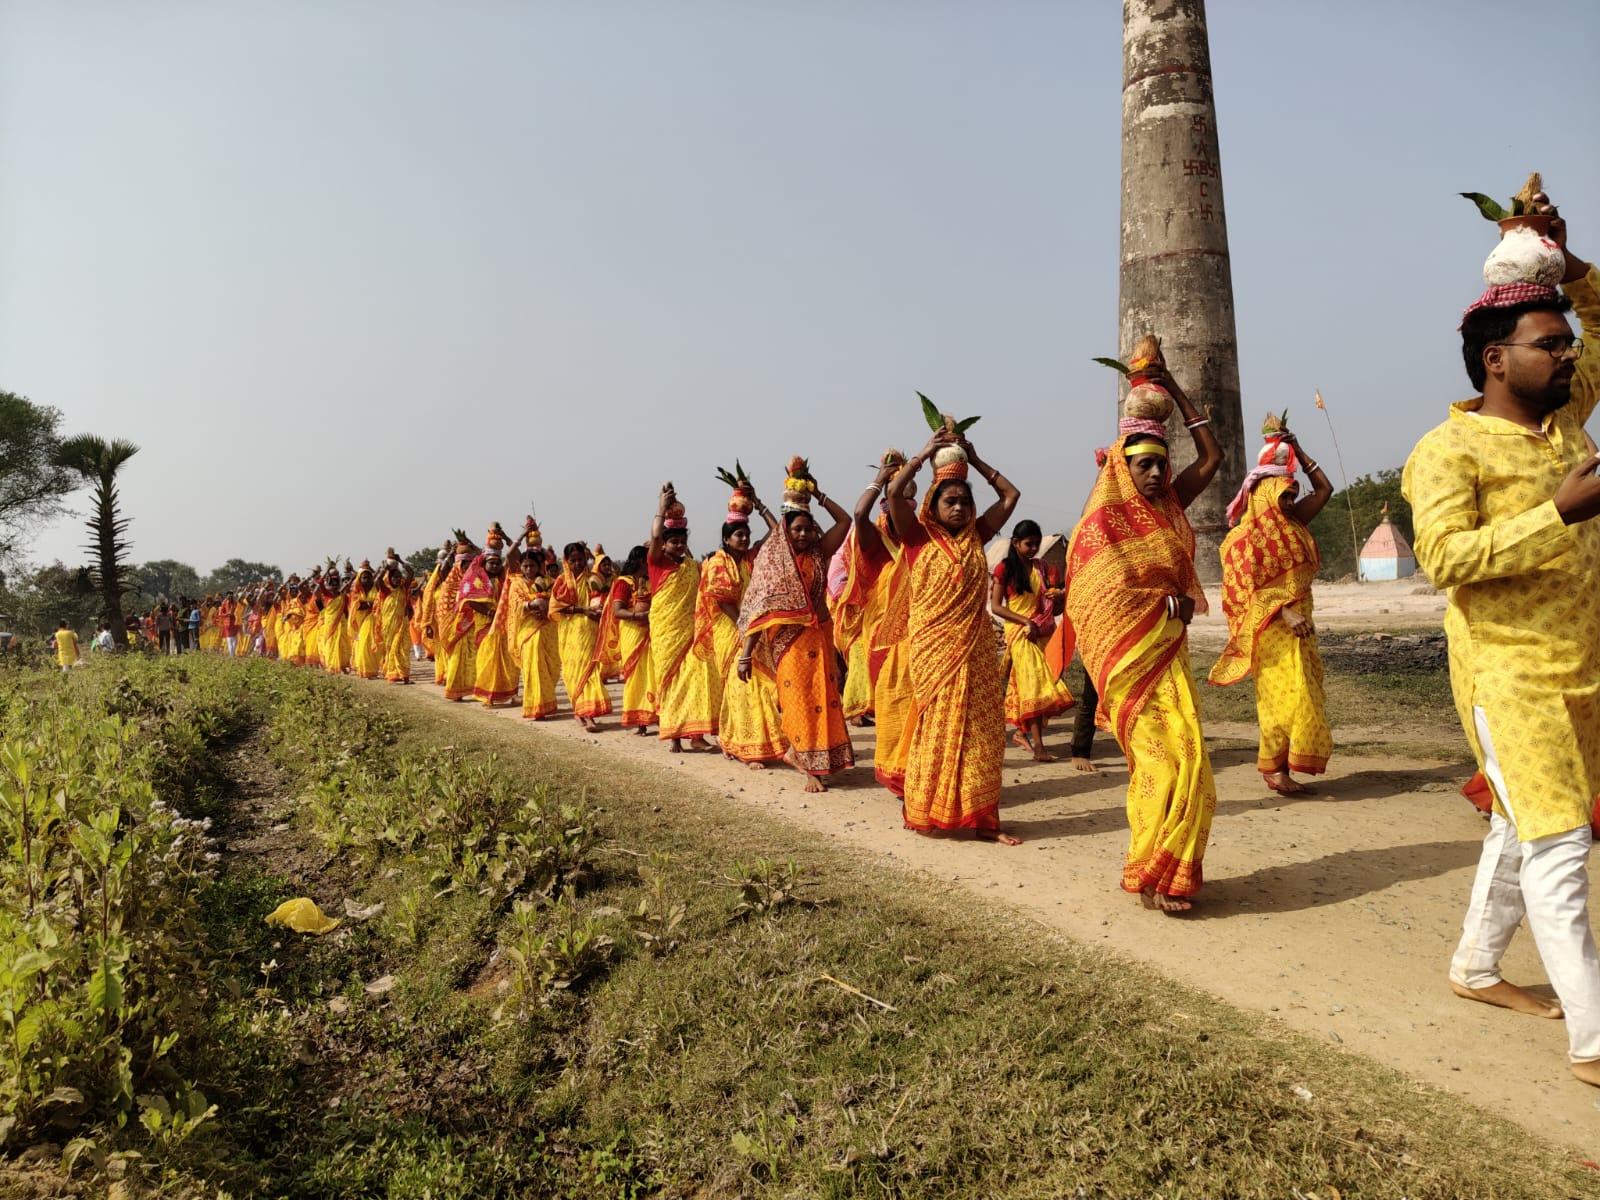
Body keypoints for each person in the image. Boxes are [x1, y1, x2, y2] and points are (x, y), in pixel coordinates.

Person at [1401, 192, 1600, 1085]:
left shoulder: (1567, 420)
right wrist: (1558, 516)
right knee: (1560, 841)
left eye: (1568, 345)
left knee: (1523, 832)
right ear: (1496, 358)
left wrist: (1559, 253)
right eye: (1549, 344)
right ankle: (1595, 1038)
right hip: (1508, 675)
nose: (1568, 355)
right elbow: (1445, 559)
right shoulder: (1448, 451)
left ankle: (1476, 970)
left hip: (1584, 668)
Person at [1065, 349, 1222, 910]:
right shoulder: (1101, 524)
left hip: (1170, 665)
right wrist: (1168, 607)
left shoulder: (1173, 504)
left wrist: (1176, 390)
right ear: (1120, 468)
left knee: (1195, 766)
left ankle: (1168, 869)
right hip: (1130, 667)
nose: (1156, 473)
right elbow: (1093, 598)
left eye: (1160, 463)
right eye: (1143, 465)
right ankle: (1148, 867)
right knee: (1159, 763)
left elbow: (1213, 455)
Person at [883, 425, 1021, 842]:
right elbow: (893, 496)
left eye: (965, 501)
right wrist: (924, 455)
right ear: (934, 503)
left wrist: (975, 461)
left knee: (981, 733)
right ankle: (929, 809)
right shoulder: (918, 538)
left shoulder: (978, 537)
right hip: (933, 653)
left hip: (976, 650)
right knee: (938, 730)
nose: (959, 508)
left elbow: (1011, 497)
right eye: (950, 500)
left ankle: (980, 819)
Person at [1209, 421, 1335, 793]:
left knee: (1308, 692)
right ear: (1264, 492)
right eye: (1284, 494)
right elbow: (1240, 593)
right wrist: (1284, 611)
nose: (1290, 502)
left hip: (1303, 624)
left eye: (1292, 495)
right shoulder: (1241, 539)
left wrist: (1299, 448)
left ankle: (1284, 764)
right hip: (1270, 629)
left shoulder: (1295, 523)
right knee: (1281, 699)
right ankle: (1272, 766)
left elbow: (1325, 489)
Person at [736, 457, 854, 792]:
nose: (802, 534)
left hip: (819, 634)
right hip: (788, 641)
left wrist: (817, 494)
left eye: (807, 528)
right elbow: (759, 609)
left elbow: (845, 520)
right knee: (798, 700)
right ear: (785, 531)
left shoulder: (820, 552)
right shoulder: (774, 563)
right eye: (796, 529)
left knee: (826, 696)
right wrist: (745, 655)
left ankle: (818, 757)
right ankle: (805, 763)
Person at [833, 449, 918, 796]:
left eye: (907, 515)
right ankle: (897, 772)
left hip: (920, 636)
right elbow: (858, 513)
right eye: (895, 513)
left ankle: (917, 771)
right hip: (882, 639)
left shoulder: (920, 543)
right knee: (891, 703)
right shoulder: (875, 544)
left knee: (916, 703)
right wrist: (881, 480)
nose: (902, 521)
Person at [698, 472, 785, 766]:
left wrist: (759, 504)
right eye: (739, 534)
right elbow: (722, 601)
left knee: (759, 685)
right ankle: (742, 744)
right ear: (725, 538)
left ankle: (745, 740)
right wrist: (744, 625)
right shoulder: (717, 563)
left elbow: (778, 532)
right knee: (741, 685)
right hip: (732, 628)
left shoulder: (750, 558)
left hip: (753, 626)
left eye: (747, 534)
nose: (745, 538)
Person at [989, 519, 1073, 762]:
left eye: (1037, 544)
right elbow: (996, 607)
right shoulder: (1004, 569)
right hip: (1020, 633)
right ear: (1015, 543)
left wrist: (1058, 599)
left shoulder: (1045, 569)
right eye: (1029, 544)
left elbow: (1054, 611)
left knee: (1029, 685)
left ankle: (1021, 733)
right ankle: (1039, 747)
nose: (1034, 548)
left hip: (1043, 632)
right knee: (1036, 685)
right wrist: (1026, 622)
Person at [647, 486, 718, 752]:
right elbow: (654, 536)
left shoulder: (689, 566)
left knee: (694, 679)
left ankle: (695, 735)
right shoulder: (657, 562)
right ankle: (674, 734)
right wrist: (659, 508)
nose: (679, 545)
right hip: (667, 632)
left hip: (690, 630)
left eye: (682, 541)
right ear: (663, 544)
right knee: (670, 681)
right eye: (673, 541)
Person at [498, 521, 562, 720]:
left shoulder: (550, 582)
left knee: (551, 669)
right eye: (525, 566)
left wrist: (546, 608)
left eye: (532, 565)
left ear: (539, 566)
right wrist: (531, 605)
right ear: (520, 566)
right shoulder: (516, 583)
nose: (528, 569)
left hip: (548, 629)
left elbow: (556, 601)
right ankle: (535, 707)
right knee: (533, 667)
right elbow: (514, 606)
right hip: (528, 630)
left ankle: (547, 702)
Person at [597, 545, 658, 734]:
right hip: (632, 632)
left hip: (651, 632)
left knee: (653, 674)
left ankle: (656, 715)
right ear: (642, 561)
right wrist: (637, 615)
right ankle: (639, 719)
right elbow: (617, 611)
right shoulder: (624, 583)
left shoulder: (650, 581)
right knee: (636, 676)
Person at [552, 541, 612, 730]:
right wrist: (582, 610)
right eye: (573, 560)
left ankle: (589, 715)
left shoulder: (595, 579)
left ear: (586, 558)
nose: (577, 564)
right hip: (570, 632)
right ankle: (580, 711)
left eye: (580, 559)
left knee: (589, 671)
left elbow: (607, 597)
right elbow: (555, 606)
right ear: (566, 561)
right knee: (572, 672)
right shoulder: (562, 581)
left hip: (590, 630)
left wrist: (599, 611)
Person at [462, 525, 520, 706]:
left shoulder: (503, 577)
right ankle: (486, 694)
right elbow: (468, 601)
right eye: (491, 563)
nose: (495, 566)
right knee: (487, 659)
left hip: (503, 624)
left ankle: (508, 694)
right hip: (485, 624)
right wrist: (489, 612)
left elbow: (515, 555)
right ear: (484, 563)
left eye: (497, 563)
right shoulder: (477, 579)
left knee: (506, 659)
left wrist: (507, 536)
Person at [378, 554, 415, 683]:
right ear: (390, 578)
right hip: (389, 626)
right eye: (395, 577)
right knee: (391, 649)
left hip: (402, 624)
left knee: (404, 648)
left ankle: (404, 675)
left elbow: (411, 572)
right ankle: (393, 673)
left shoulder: (403, 588)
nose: (398, 579)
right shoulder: (386, 591)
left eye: (399, 577)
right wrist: (384, 568)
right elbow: (378, 580)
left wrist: (400, 560)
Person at [348, 561, 385, 680]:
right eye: (364, 577)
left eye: (369, 577)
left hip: (377, 620)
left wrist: (368, 604)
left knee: (376, 645)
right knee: (363, 644)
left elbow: (382, 601)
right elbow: (356, 606)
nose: (367, 580)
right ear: (360, 579)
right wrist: (370, 604)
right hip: (362, 621)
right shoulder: (356, 591)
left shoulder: (377, 588)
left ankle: (373, 670)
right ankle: (365, 669)